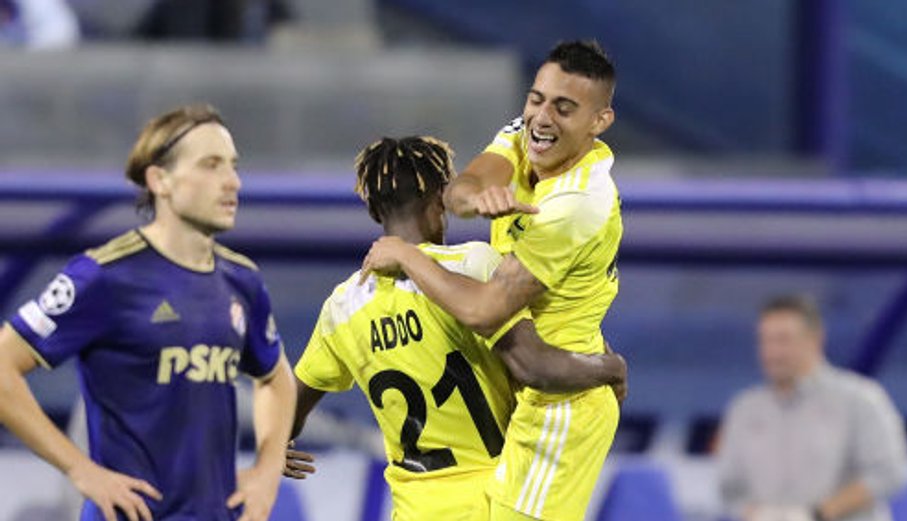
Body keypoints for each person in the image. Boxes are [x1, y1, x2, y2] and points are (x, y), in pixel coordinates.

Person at [285, 136, 627, 521]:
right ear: (441, 200)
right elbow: (535, 366)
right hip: (492, 502)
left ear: (374, 210)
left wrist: (276, 444)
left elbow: (288, 405)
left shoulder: (341, 307)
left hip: (413, 511)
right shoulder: (474, 266)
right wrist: (608, 367)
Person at [361, 40, 622, 521]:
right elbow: (460, 191)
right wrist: (477, 199)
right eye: (537, 99)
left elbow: (485, 312)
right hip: (522, 391)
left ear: (598, 121)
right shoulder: (526, 132)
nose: (542, 117)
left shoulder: (577, 204)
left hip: (560, 401)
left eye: (564, 108)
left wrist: (407, 255)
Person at [0, 104, 296, 521]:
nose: (233, 181)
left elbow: (276, 379)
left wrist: (267, 471)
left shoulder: (241, 280)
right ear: (160, 180)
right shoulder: (102, 276)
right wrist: (81, 470)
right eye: (211, 165)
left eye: (233, 166)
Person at [717, 295, 907, 521]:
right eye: (765, 340)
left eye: (783, 340)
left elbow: (888, 474)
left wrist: (817, 514)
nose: (772, 352)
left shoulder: (861, 399)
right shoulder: (744, 409)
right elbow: (729, 489)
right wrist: (759, 514)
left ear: (815, 340)